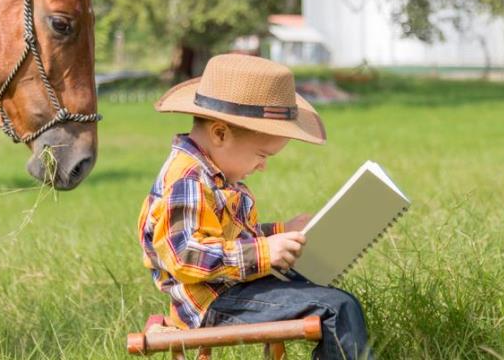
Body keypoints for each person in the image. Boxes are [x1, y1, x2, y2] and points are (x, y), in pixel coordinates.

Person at [137, 54, 371, 359]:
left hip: (233, 288)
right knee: (336, 308)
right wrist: (265, 252)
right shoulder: (188, 179)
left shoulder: (213, 173)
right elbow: (185, 254)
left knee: (327, 290)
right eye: (262, 154)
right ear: (220, 133)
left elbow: (223, 235)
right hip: (214, 302)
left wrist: (281, 231)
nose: (263, 167)